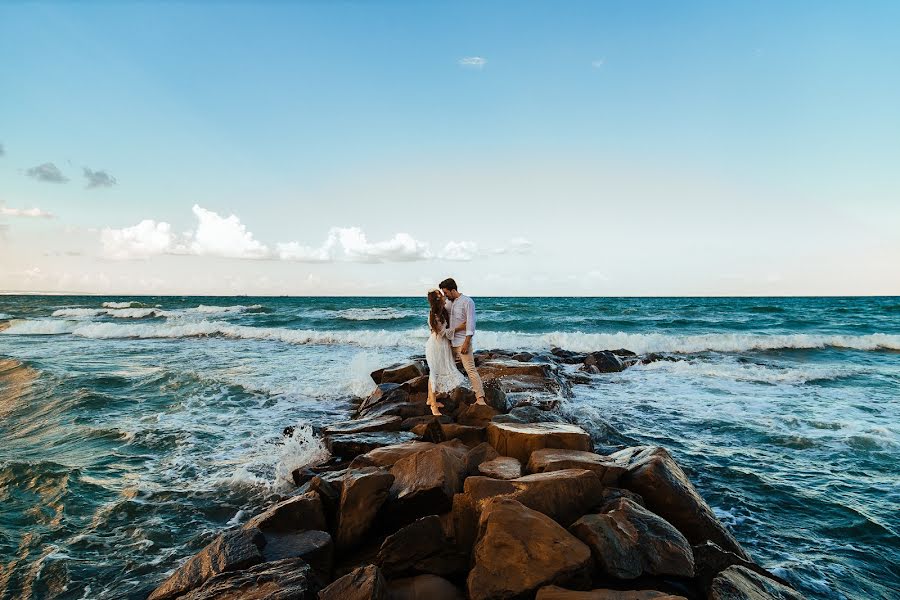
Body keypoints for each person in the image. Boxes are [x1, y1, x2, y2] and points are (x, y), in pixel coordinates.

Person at [439, 277, 487, 406]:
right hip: (449, 342)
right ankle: (444, 392)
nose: (445, 295)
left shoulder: (467, 302)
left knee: (470, 369)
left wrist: (466, 342)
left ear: (453, 290)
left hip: (462, 342)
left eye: (446, 292)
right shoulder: (448, 303)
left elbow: (471, 324)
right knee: (447, 369)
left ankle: (480, 398)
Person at [424, 289, 466, 416]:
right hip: (436, 346)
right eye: (440, 295)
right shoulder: (435, 314)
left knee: (435, 372)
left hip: (443, 345)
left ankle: (429, 399)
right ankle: (433, 406)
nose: (443, 296)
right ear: (436, 299)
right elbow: (443, 333)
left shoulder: (441, 311)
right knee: (434, 374)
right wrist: (460, 328)